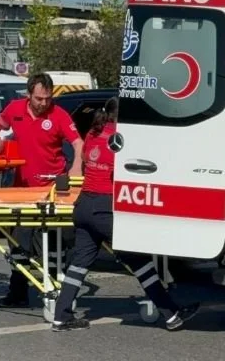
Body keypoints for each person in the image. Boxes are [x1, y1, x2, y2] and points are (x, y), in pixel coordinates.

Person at [51, 97, 199, 331]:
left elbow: (89, 160)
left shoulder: (93, 132)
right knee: (139, 261)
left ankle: (61, 316)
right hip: (105, 207)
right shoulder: (120, 138)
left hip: (84, 206)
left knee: (79, 264)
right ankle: (171, 314)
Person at [0, 73, 84, 307]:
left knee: (56, 241)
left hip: (52, 189)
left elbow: (79, 143)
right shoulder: (15, 109)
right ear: (29, 95)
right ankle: (18, 291)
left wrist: (77, 165)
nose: (43, 103)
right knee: (19, 242)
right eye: (39, 98)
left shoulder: (58, 115)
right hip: (23, 188)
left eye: (48, 98)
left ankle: (56, 288)